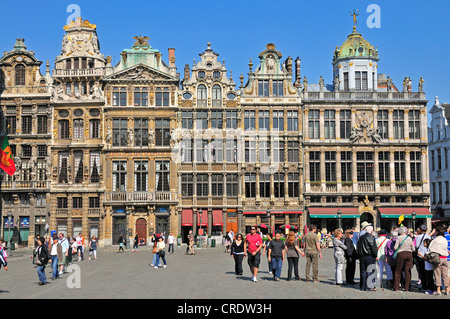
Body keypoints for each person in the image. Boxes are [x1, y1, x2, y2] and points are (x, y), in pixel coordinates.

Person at [428, 225, 450, 295]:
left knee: (438, 274)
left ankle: (438, 290)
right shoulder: (445, 240)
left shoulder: (435, 240)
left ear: (437, 232)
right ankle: (447, 289)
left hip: (438, 258)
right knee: (445, 275)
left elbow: (431, 249)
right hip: (445, 258)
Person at [393, 226, 415, 292]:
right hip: (409, 254)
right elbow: (413, 249)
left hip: (401, 254)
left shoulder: (399, 238)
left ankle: (396, 287)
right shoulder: (410, 238)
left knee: (398, 271)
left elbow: (395, 247)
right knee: (408, 271)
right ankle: (407, 287)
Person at [356, 224, 377, 291]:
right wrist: (375, 255)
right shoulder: (371, 237)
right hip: (369, 256)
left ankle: (363, 286)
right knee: (370, 271)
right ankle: (370, 286)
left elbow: (358, 246)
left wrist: (359, 255)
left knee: (363, 272)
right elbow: (373, 248)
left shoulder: (361, 237)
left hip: (362, 256)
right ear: (371, 231)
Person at [414, 224, 431, 290]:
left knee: (422, 271)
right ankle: (429, 284)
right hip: (427, 254)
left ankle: (424, 285)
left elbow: (417, 245)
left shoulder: (418, 237)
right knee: (428, 270)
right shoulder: (428, 236)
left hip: (420, 255)